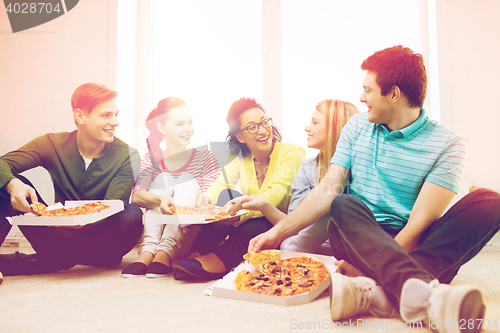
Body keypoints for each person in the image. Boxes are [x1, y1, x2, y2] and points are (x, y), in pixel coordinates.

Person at [248, 46, 500, 332]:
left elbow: (419, 222)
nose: (361, 98)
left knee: (490, 201)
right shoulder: (356, 125)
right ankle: (425, 293)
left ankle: (381, 293)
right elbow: (328, 189)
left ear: (393, 93)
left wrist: (386, 266)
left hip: (411, 239)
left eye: (367, 90)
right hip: (357, 235)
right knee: (343, 204)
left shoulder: (450, 143)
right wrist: (276, 232)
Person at [0, 83, 143, 276]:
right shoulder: (51, 143)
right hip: (55, 233)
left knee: (131, 213)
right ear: (80, 116)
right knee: (6, 184)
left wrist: (71, 220)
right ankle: (60, 257)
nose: (116, 122)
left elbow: (110, 212)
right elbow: (3, 164)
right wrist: (13, 184)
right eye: (106, 115)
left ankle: (43, 261)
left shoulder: (128, 156)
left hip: (101, 243)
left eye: (116, 114)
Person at [173, 97, 305, 280]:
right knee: (226, 196)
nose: (263, 130)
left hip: (277, 223)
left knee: (257, 221)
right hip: (250, 218)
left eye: (265, 122)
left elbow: (273, 195)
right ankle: (197, 254)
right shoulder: (241, 158)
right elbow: (220, 185)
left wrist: (239, 214)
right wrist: (207, 199)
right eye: (252, 126)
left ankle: (220, 260)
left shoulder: (293, 153)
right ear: (240, 136)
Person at [230, 99, 359, 254]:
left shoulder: (360, 169)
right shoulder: (307, 169)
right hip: (313, 246)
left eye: (315, 123)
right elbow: (293, 224)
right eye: (252, 127)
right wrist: (264, 205)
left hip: (349, 245)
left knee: (335, 204)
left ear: (335, 128)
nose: (307, 127)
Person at [121, 97, 220, 278]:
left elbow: (209, 200)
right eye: (179, 124)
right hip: (153, 234)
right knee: (162, 180)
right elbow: (136, 196)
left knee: (187, 180)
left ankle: (165, 253)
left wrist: (188, 209)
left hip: (187, 234)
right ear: (161, 128)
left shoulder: (207, 157)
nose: (188, 129)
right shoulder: (151, 158)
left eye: (190, 123)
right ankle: (147, 252)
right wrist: (161, 199)